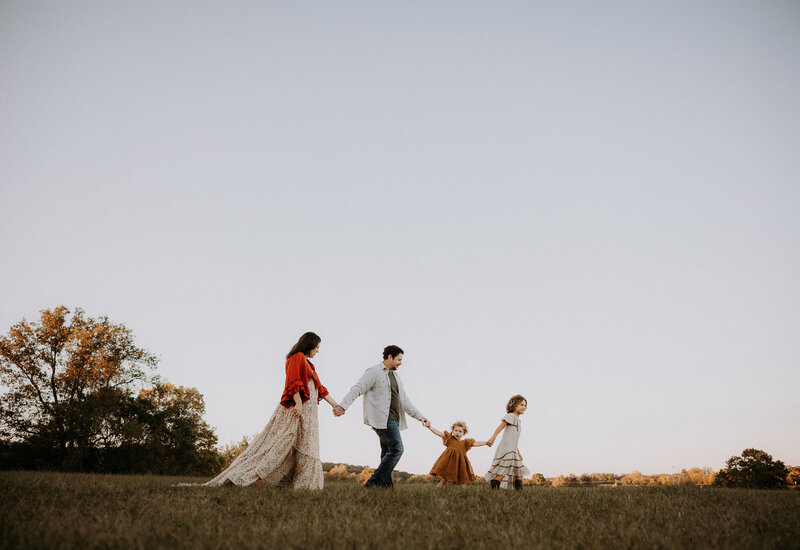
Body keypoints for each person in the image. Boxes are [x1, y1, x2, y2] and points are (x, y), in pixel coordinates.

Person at [204, 332, 343, 489]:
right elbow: (293, 381)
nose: (318, 351)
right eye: (317, 347)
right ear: (309, 345)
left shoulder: (309, 364)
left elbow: (320, 388)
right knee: (283, 440)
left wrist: (335, 405)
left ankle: (301, 483)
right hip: (299, 408)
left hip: (310, 413)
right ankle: (251, 476)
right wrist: (298, 403)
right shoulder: (296, 357)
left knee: (306, 444)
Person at [338, 345, 429, 488]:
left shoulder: (396, 377)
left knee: (387, 452)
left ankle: (385, 488)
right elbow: (358, 388)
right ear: (390, 357)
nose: (401, 363)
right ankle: (372, 482)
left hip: (394, 419)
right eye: (399, 359)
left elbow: (404, 401)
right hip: (382, 419)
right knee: (397, 448)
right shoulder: (374, 372)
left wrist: (420, 417)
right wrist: (343, 405)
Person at [484, 395, 530, 490]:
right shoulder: (510, 416)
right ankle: (495, 484)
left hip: (513, 449)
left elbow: (513, 439)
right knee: (504, 470)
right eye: (521, 404)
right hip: (507, 448)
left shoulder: (518, 420)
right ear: (514, 405)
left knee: (519, 470)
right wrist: (492, 438)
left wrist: (518, 452)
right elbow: (500, 427)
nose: (524, 407)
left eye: (525, 405)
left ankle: (518, 490)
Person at [426, 421, 491, 488]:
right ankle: (437, 491)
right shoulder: (450, 438)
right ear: (453, 431)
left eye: (460, 431)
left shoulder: (465, 443)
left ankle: (464, 495)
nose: (457, 432)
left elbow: (475, 443)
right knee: (443, 480)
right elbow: (439, 433)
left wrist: (486, 443)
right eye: (456, 430)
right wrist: (429, 427)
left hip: (460, 464)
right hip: (448, 464)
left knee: (462, 481)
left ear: (463, 433)